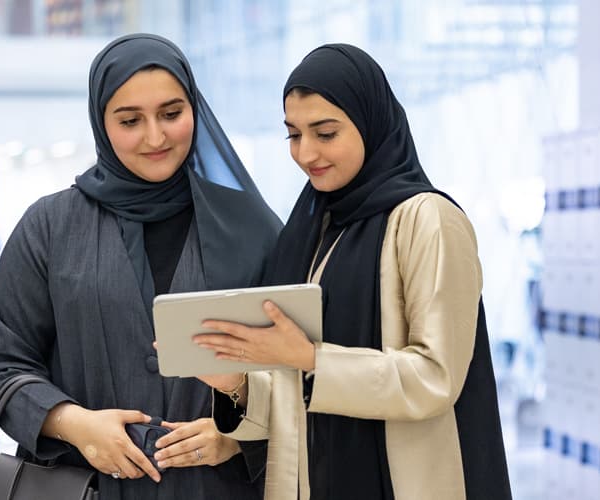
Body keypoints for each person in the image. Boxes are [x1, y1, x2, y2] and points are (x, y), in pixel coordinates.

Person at [193, 44, 512, 500]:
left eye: (325, 133)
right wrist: (236, 387)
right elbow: (298, 400)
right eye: (293, 135)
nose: (306, 153)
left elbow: (435, 378)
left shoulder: (427, 220)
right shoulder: (314, 228)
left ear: (369, 123)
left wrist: (310, 359)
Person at [0, 33, 281, 500]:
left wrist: (238, 433)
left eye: (171, 114)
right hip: (86, 487)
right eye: (130, 121)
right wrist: (73, 424)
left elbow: (298, 372)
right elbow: (6, 367)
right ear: (101, 123)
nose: (155, 137)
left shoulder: (251, 228)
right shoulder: (49, 227)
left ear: (195, 110)